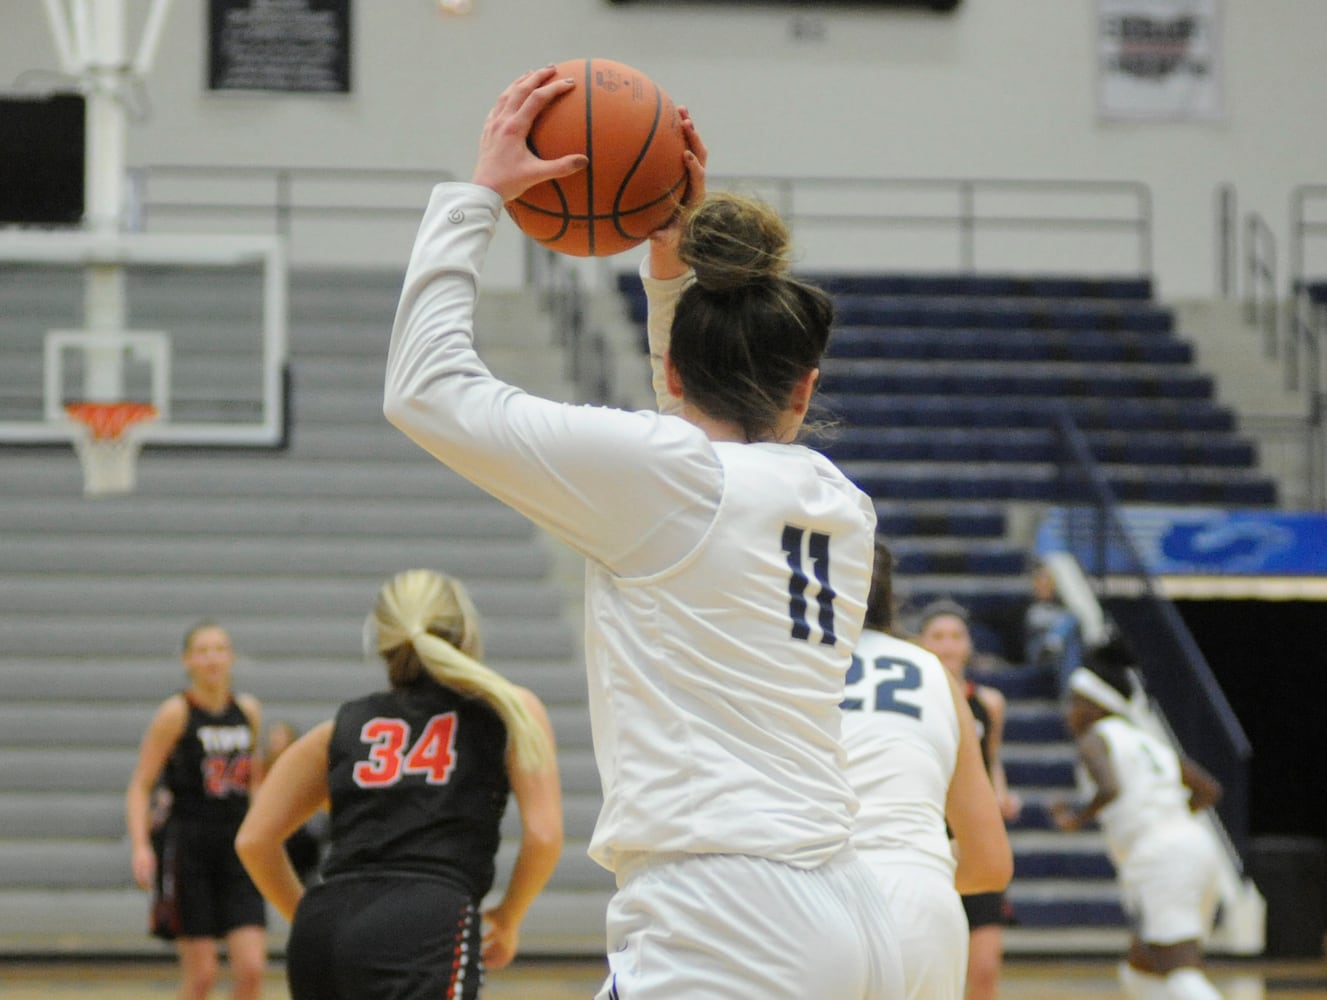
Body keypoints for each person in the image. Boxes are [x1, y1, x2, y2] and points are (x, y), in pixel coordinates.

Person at [381, 67, 902, 1000]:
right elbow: (695, 437)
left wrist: (479, 198)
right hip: (843, 910)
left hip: (723, 919)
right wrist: (669, 268)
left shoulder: (676, 483)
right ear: (805, 388)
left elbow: (424, 391)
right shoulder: (838, 502)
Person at [235, 568, 563, 1000]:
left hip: (324, 930)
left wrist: (310, 917)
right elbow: (543, 835)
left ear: (381, 640)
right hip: (427, 924)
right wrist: (508, 917)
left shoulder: (340, 727)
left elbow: (253, 840)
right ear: (466, 632)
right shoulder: (510, 708)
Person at [842, 540, 1012, 1000]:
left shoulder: (779, 664)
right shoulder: (937, 677)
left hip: (809, 895)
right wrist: (915, 863)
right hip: (922, 899)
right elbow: (990, 864)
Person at [1050, 654, 1226, 1000]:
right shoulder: (1148, 740)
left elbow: (1109, 788)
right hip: (1196, 843)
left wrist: (1075, 818)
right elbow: (1208, 790)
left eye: (1076, 702)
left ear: (1097, 706)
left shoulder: (1094, 739)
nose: (1069, 711)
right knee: (1141, 968)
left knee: (1180, 971)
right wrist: (1165, 814)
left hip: (1159, 852)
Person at [125, 621, 267, 1000]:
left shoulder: (248, 711)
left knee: (252, 969)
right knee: (202, 975)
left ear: (231, 657)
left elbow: (252, 780)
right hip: (190, 851)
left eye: (219, 649)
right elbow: (140, 785)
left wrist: (265, 830)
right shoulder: (176, 713)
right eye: (202, 651)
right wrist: (141, 846)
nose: (212, 658)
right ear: (188, 660)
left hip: (238, 851)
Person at [915, 598, 1021, 1000]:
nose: (947, 645)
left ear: (969, 645)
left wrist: (1002, 795)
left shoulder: (989, 701)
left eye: (956, 636)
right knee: (926, 963)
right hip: (926, 833)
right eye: (938, 636)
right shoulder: (913, 697)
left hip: (972, 835)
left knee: (984, 967)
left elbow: (990, 760)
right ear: (921, 643)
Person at [257, 721, 328, 886]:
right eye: (274, 736)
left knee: (305, 837)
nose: (276, 740)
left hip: (298, 828)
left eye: (280, 735)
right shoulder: (262, 767)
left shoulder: (302, 766)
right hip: (273, 826)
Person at [1021, 559, 1083, 688]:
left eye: (1048, 581)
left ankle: (1054, 640)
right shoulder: (1025, 606)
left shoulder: (1062, 606)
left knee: (1071, 645)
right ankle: (1053, 639)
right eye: (1041, 581)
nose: (1045, 586)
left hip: (1058, 654)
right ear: (1035, 584)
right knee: (1070, 622)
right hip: (1037, 650)